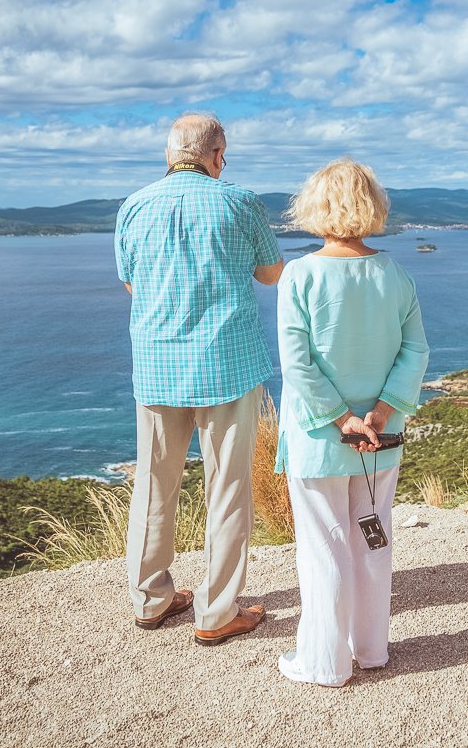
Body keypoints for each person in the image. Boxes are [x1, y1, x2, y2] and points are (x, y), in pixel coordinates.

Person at [114, 111, 284, 646]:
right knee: (228, 490)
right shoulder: (241, 202)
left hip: (157, 368)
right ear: (216, 155)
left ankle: (151, 600)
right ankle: (215, 612)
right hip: (227, 366)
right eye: (223, 155)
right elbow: (271, 274)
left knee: (153, 484)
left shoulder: (133, 206)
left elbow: (131, 285)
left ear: (170, 156)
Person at [274, 159, 429, 687]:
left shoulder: (299, 275)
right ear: (373, 206)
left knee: (325, 547)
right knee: (373, 542)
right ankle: (372, 649)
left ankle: (324, 663)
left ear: (314, 208)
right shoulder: (394, 274)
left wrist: (341, 419)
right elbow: (415, 351)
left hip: (322, 437)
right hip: (380, 437)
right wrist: (380, 411)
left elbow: (297, 364)